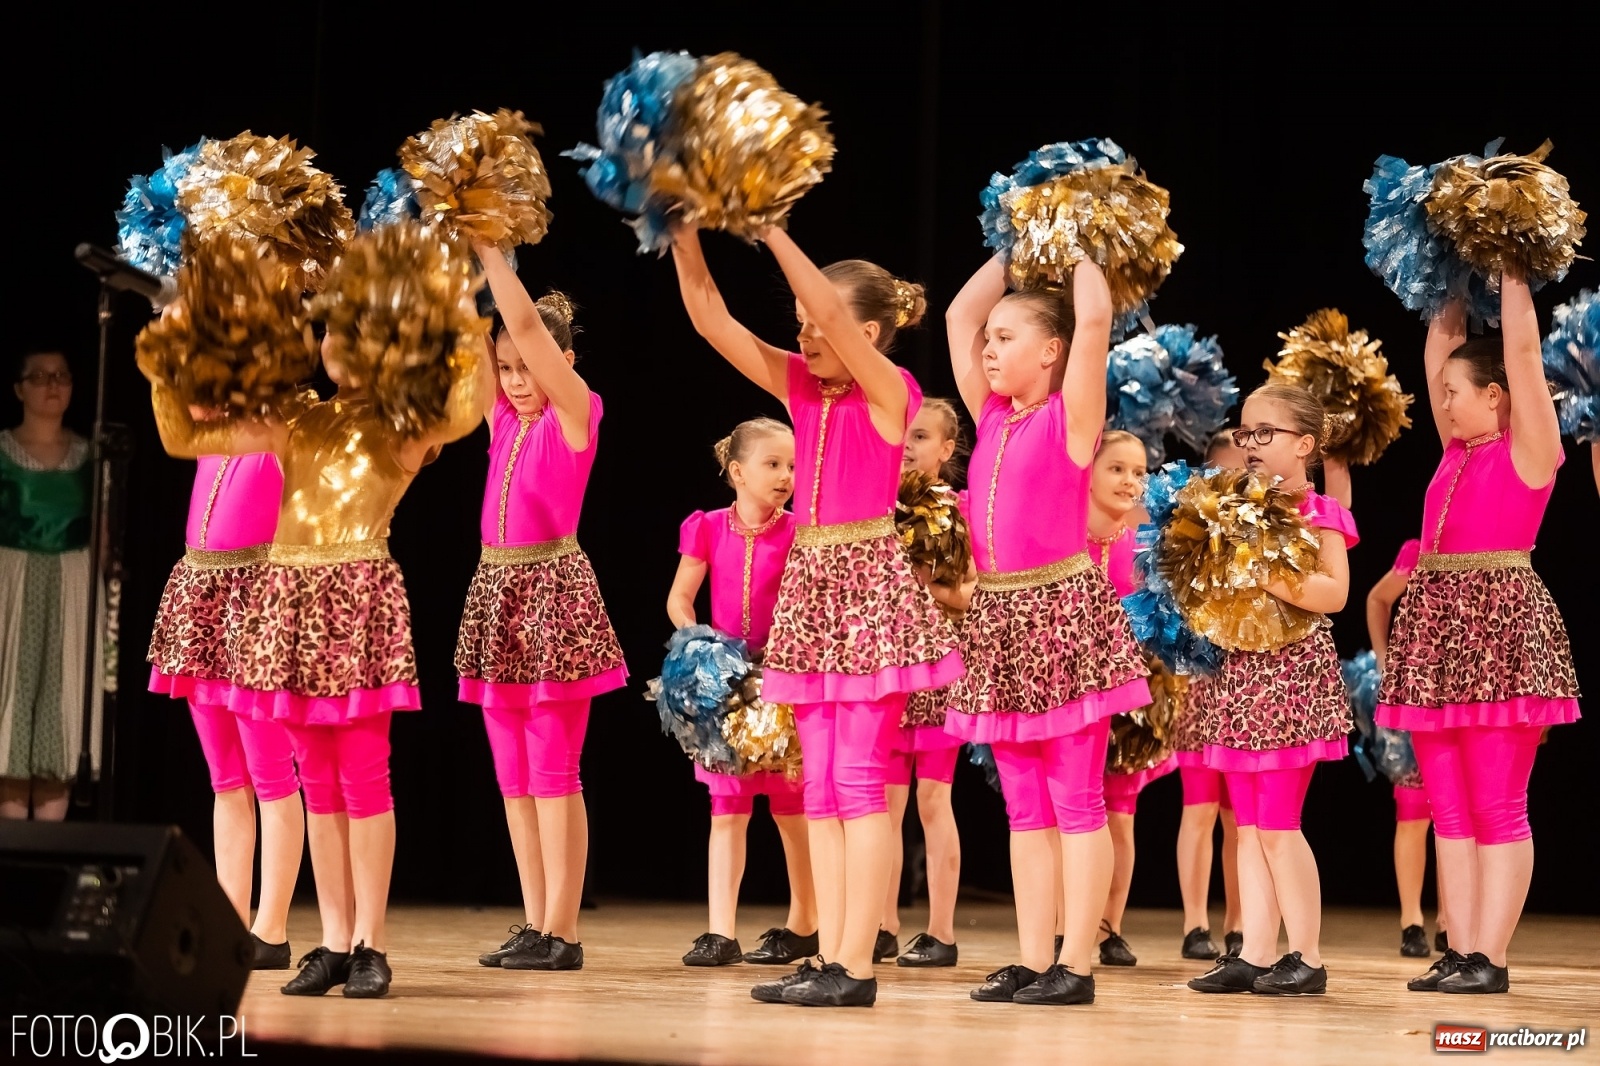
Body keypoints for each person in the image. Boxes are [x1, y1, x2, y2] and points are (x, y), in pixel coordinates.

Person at [669, 223, 962, 1008]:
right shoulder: (805, 388)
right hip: (813, 592)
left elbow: (828, 317)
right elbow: (708, 316)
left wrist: (771, 231)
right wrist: (681, 230)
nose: (803, 331)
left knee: (862, 784)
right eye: (797, 319)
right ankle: (830, 955)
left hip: (867, 591)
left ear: (865, 330)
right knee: (826, 788)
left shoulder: (890, 391)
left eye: (813, 317)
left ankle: (857, 966)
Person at [943, 256, 1150, 1006]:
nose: (988, 349)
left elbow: (1093, 319)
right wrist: (1009, 246)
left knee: (1076, 802)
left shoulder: (1073, 417)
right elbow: (958, 317)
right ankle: (1034, 959)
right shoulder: (993, 415)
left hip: (1062, 617)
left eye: (1007, 339)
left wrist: (1078, 244)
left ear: (1050, 352)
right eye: (991, 342)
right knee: (1024, 806)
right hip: (1000, 617)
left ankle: (1077, 962)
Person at [1378, 277, 1580, 995]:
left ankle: (1490, 958)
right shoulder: (1453, 453)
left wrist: (1513, 272)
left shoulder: (1529, 451)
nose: (1444, 400)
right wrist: (1449, 279)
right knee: (1450, 809)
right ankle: (1460, 950)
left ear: (1495, 396)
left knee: (1497, 805)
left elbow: (1522, 351)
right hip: (1436, 635)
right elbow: (1440, 346)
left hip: (1499, 633)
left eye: (1456, 392)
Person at [457, 258, 628, 974]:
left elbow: (521, 324)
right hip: (496, 595)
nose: (517, 381)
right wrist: (456, 272)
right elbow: (476, 339)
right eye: (507, 369)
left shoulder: (573, 412)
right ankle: (534, 921)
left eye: (529, 367)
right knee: (514, 777)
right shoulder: (504, 415)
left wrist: (497, 257)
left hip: (553, 594)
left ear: (564, 363)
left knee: (555, 772)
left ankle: (564, 929)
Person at [1186, 384, 1356, 997]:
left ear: (1305, 445)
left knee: (1280, 825)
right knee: (1251, 827)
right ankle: (1255, 952)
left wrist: (1264, 570)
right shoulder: (1232, 508)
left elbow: (1334, 593)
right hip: (1242, 676)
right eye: (1245, 432)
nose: (1250, 444)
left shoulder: (1321, 512)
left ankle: (1306, 955)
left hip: (1291, 678)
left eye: (1266, 433)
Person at [146, 396, 306, 968]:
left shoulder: (277, 427)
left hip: (256, 606)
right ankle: (229, 920)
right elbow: (173, 403)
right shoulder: (206, 435)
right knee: (227, 780)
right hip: (204, 607)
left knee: (273, 778)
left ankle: (271, 928)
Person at [664, 418, 819, 968]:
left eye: (793, 467)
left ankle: (806, 923)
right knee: (726, 808)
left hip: (780, 682)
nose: (785, 476)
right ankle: (720, 931)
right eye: (773, 464)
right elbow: (681, 598)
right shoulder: (706, 527)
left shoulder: (801, 530)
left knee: (790, 809)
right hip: (725, 686)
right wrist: (699, 644)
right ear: (736, 471)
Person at [881, 397, 975, 967]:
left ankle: (941, 932)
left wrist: (928, 590)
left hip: (939, 670)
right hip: (888, 667)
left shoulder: (960, 511)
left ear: (946, 450)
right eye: (904, 434)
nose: (909, 445)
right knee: (885, 804)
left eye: (922, 436)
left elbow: (971, 592)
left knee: (933, 799)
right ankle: (882, 923)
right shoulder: (874, 506)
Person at [1088, 430, 1175, 967]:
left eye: (1138, 471)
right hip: (1070, 688)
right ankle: (1060, 925)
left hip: (1130, 698)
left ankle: (1107, 926)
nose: (1129, 480)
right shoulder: (1066, 533)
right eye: (1116, 468)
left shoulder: (1145, 539)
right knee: (1065, 814)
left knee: (1119, 817)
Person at [0, 351, 100, 821]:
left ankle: (50, 850)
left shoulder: (89, 454)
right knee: (14, 700)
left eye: (61, 375)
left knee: (61, 705)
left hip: (71, 585)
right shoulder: (3, 450)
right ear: (19, 389)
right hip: (11, 585)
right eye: (38, 377)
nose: (52, 385)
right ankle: (13, 857)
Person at [1365, 537, 1449, 957]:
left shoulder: (1490, 547)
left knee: (1459, 817)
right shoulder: (1420, 550)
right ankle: (1411, 920)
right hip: (1418, 693)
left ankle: (1452, 918)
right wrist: (1385, 662)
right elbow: (1378, 599)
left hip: (1464, 692)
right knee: (1414, 814)